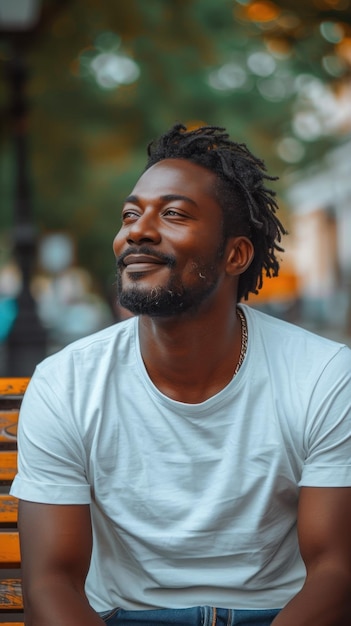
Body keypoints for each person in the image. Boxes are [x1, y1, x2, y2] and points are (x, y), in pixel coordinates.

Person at [10, 123, 351, 626]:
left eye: (172, 214)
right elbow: (49, 582)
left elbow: (335, 572)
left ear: (235, 254)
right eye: (130, 214)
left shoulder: (322, 375)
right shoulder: (67, 382)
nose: (137, 231)